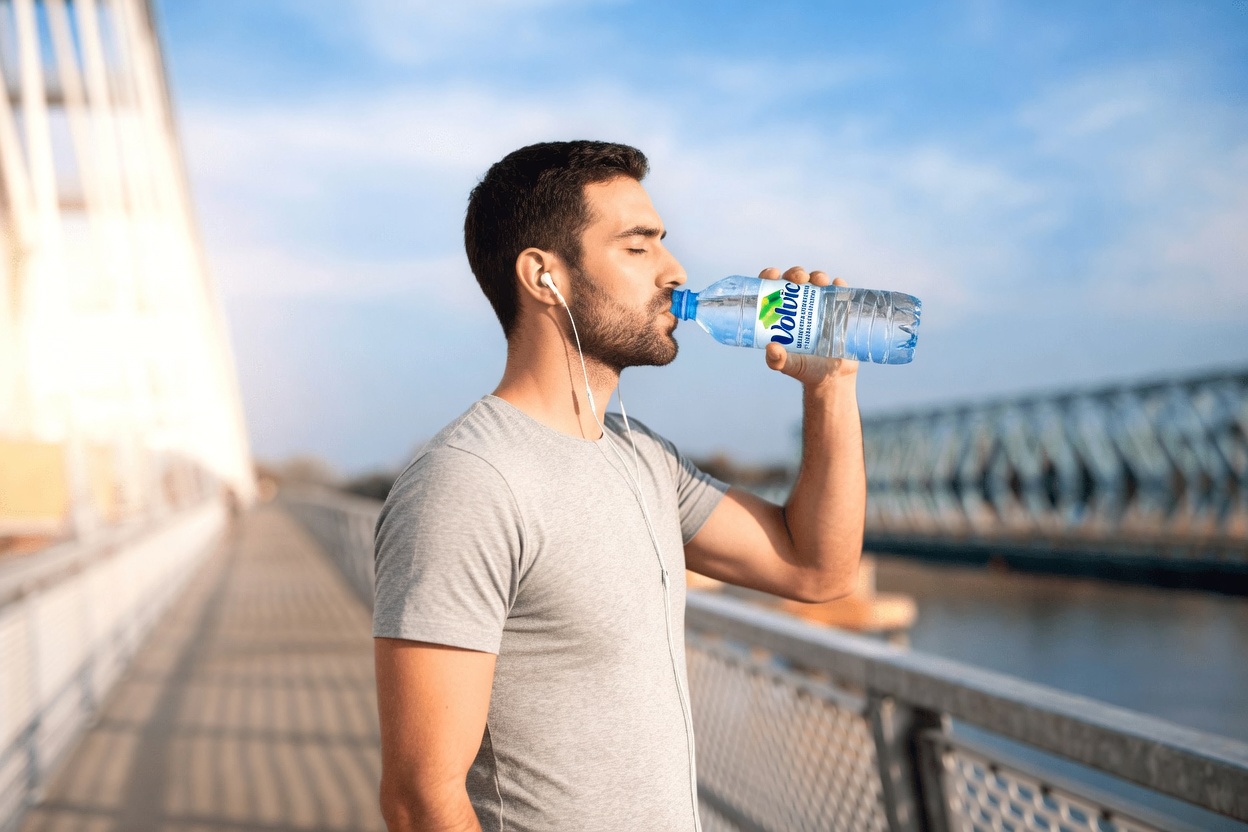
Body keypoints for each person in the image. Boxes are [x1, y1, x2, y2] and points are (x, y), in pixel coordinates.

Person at [372, 140, 865, 832]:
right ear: (545, 277)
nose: (675, 271)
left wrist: (831, 388)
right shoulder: (467, 482)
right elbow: (421, 799)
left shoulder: (643, 459)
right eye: (638, 249)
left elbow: (815, 567)